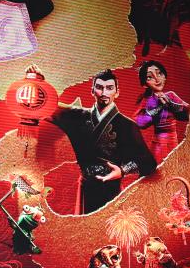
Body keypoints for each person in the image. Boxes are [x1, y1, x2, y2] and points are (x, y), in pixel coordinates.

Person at [50, 69, 157, 214]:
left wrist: (122, 171)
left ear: (117, 92)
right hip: (85, 186)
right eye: (99, 87)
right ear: (92, 91)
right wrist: (37, 81)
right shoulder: (77, 117)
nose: (104, 92)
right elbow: (48, 108)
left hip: (111, 189)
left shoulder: (127, 125)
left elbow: (148, 162)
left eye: (109, 88)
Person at [134, 60, 190, 161]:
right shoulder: (147, 100)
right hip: (158, 144)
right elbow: (138, 122)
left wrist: (171, 104)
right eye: (150, 77)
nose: (157, 79)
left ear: (165, 76)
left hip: (173, 141)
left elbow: (189, 113)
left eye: (159, 73)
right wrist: (156, 110)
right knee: (159, 167)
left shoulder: (171, 95)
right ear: (145, 84)